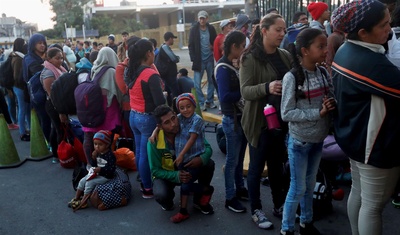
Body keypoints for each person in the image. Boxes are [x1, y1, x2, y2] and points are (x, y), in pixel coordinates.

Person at [331, 1, 400, 235]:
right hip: (373, 147)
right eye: (384, 25)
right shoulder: (371, 63)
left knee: (359, 195)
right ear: (363, 32)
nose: (390, 29)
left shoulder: (345, 49)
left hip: (353, 139)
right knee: (373, 206)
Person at [279, 28, 336, 235]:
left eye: (325, 46)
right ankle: (286, 229)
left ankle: (306, 222)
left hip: (318, 140)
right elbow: (286, 113)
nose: (325, 51)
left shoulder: (322, 72)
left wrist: (331, 103)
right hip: (300, 142)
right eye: (320, 47)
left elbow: (331, 96)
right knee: (298, 187)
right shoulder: (292, 78)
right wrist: (318, 113)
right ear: (304, 50)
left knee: (310, 185)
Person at [239, 13, 291, 230]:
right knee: (257, 167)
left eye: (284, 30)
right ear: (264, 31)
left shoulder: (285, 55)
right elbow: (245, 91)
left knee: (277, 167)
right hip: (259, 123)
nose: (282, 34)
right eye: (278, 29)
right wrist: (267, 87)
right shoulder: (249, 58)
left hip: (281, 122)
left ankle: (279, 205)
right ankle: (257, 210)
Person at [148, 104, 215, 217]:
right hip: (168, 175)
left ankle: (199, 199)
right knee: (161, 194)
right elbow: (155, 171)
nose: (173, 124)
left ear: (176, 115)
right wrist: (176, 175)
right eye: (167, 123)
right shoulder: (153, 142)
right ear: (159, 127)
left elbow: (207, 147)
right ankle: (167, 203)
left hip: (188, 169)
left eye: (173, 118)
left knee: (208, 163)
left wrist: (201, 159)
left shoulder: (188, 128)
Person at [127, 39, 166, 198]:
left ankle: (143, 182)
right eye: (153, 51)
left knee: (139, 152)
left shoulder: (132, 71)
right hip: (146, 119)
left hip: (133, 116)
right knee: (145, 154)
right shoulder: (150, 74)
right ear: (149, 53)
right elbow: (160, 103)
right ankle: (148, 188)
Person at [215, 30, 248, 213]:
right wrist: (246, 92)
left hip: (241, 118)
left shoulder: (232, 64)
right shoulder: (222, 68)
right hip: (231, 119)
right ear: (234, 47)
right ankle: (230, 197)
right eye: (242, 46)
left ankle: (240, 189)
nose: (244, 49)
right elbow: (225, 96)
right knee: (232, 160)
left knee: (239, 158)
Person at [164, 93, 205, 222]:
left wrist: (181, 154)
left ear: (194, 106)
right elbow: (163, 124)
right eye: (182, 108)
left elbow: (192, 139)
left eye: (188, 106)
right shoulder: (179, 118)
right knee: (184, 182)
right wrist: (155, 132)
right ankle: (206, 190)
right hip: (182, 159)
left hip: (192, 157)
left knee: (185, 184)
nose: (186, 110)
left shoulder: (197, 119)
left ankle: (183, 212)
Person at [82, 47, 123, 167]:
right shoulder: (111, 71)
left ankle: (91, 163)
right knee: (106, 138)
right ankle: (106, 164)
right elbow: (118, 91)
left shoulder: (94, 68)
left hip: (94, 107)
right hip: (108, 108)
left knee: (90, 136)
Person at [68, 130, 116, 211]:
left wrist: (100, 170)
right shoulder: (97, 153)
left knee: (89, 183)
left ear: (107, 145)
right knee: (82, 181)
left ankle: (83, 202)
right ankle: (76, 198)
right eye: (95, 144)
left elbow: (111, 170)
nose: (97, 147)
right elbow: (94, 165)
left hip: (106, 176)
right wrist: (93, 159)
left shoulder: (110, 155)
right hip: (97, 173)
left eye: (100, 144)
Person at [40, 47, 68, 163]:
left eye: (61, 57)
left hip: (60, 103)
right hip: (54, 105)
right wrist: (60, 111)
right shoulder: (48, 73)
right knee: (59, 130)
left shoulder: (59, 68)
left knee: (55, 129)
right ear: (50, 59)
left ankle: (56, 152)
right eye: (57, 58)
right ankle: (59, 155)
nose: (60, 60)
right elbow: (52, 96)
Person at [22, 33, 51, 142]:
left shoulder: (42, 57)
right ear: (33, 44)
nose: (42, 45)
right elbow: (38, 72)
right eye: (39, 43)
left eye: (43, 43)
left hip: (46, 93)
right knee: (44, 120)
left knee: (49, 120)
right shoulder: (29, 58)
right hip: (38, 94)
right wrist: (45, 62)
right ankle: (47, 142)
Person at [188, 10, 217, 111]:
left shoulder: (211, 28)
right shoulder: (194, 30)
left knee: (211, 80)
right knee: (196, 83)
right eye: (200, 18)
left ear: (207, 18)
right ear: (198, 19)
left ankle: (209, 101)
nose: (202, 20)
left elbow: (216, 41)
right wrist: (193, 58)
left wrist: (213, 47)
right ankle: (200, 102)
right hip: (198, 61)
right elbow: (190, 45)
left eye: (203, 18)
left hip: (209, 59)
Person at [9, 38, 30, 140]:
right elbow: (17, 76)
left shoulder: (15, 56)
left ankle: (28, 129)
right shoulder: (18, 58)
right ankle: (22, 132)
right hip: (20, 87)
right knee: (22, 109)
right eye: (24, 43)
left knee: (25, 109)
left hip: (18, 87)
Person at [155, 32, 180, 107]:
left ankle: (170, 107)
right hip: (169, 75)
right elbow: (174, 59)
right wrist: (177, 57)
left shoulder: (163, 47)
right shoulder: (165, 47)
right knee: (175, 93)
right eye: (172, 39)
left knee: (168, 92)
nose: (173, 41)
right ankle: (177, 109)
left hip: (167, 75)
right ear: (169, 38)